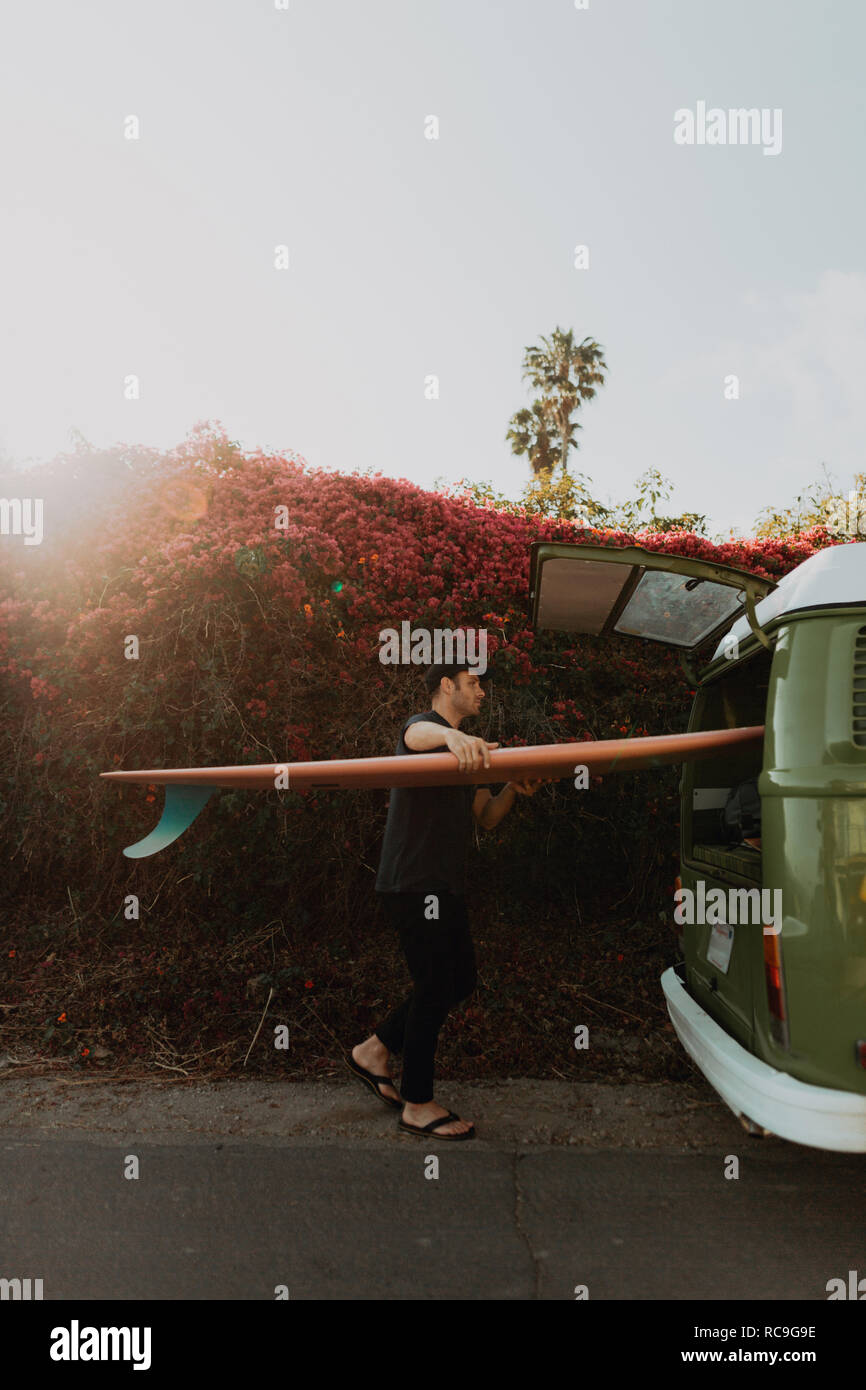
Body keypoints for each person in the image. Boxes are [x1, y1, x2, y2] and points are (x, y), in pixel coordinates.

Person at [346, 661, 545, 1140]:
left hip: (443, 885)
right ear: (446, 685)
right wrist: (453, 739)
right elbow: (415, 737)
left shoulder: (468, 754)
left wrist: (511, 789)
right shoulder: (425, 728)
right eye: (474, 683)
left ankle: (374, 1051)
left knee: (459, 980)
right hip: (412, 882)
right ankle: (418, 1103)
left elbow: (488, 817)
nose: (482, 693)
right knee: (436, 983)